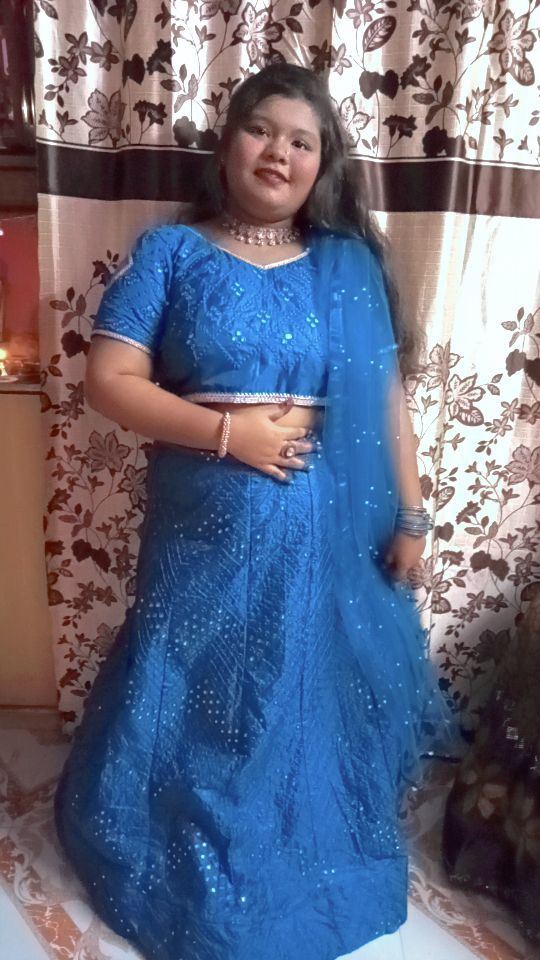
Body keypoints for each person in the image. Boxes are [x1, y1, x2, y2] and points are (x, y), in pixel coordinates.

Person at [54, 63, 453, 960]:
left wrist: (412, 516)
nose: (279, 152)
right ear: (228, 142)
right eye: (262, 130)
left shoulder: (343, 266)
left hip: (324, 530)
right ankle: (173, 847)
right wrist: (232, 435)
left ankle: (293, 856)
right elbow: (110, 381)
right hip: (200, 522)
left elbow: (384, 400)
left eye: (302, 142)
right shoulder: (173, 254)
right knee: (191, 678)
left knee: (293, 688)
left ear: (322, 165)